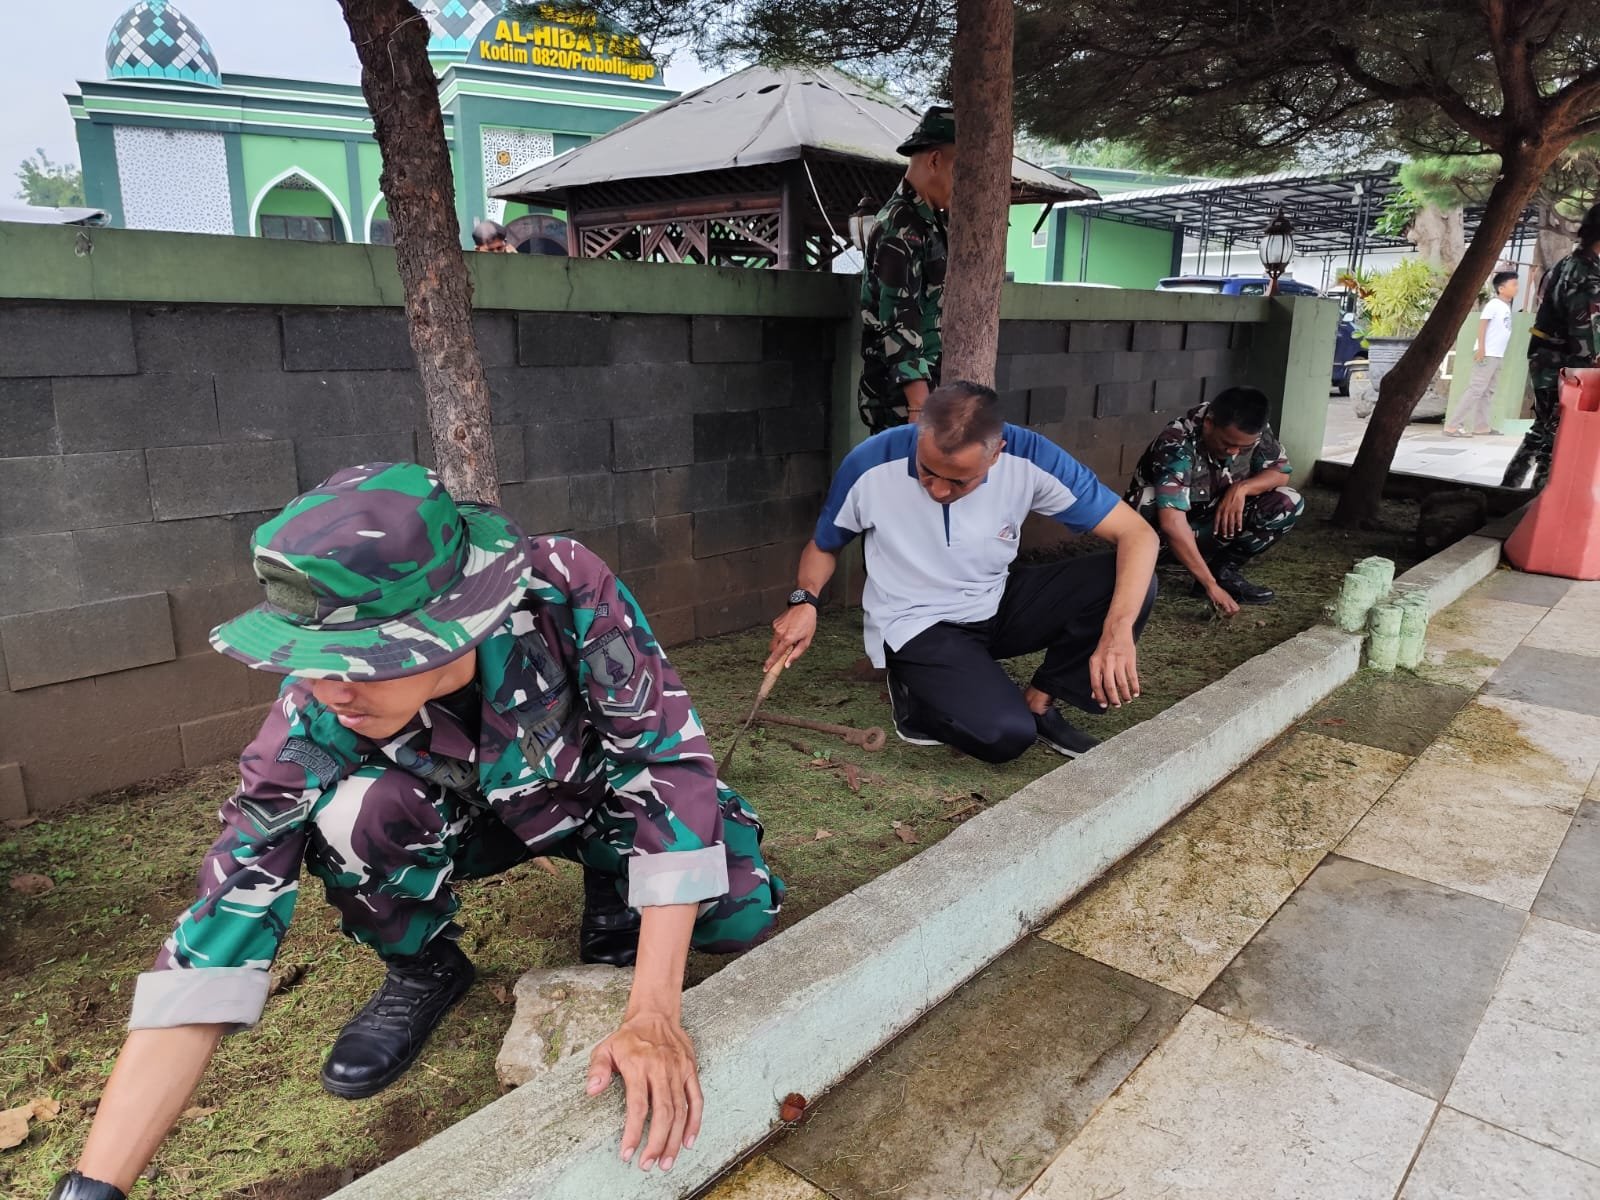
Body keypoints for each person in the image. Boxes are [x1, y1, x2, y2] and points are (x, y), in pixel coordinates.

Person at [45, 463, 782, 1200]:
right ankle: (423, 966)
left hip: (588, 800)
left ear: (456, 617)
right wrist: (93, 1189)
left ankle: (615, 886)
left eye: (365, 656)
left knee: (740, 908)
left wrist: (653, 1011)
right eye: (310, 657)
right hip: (461, 827)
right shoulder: (316, 712)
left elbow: (663, 759)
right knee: (350, 813)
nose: (332, 686)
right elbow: (217, 929)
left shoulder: (560, 587)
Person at [767, 381, 1158, 763]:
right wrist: (805, 599)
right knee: (1006, 736)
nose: (937, 490)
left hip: (994, 601)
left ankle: (1040, 699)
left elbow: (1138, 535)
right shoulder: (871, 461)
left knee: (1128, 580)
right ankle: (916, 695)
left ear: (996, 453)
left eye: (958, 481)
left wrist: (1117, 629)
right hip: (915, 623)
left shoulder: (1032, 457)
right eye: (927, 471)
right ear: (920, 436)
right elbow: (824, 544)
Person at [1125, 386, 1303, 613]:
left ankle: (1223, 571)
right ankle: (1138, 575)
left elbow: (1281, 473)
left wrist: (1241, 488)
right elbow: (1172, 522)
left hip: (1212, 524)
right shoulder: (1176, 441)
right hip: (1164, 538)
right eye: (1227, 443)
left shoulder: (1253, 431)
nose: (1234, 452)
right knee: (1146, 500)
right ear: (1208, 423)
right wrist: (1212, 587)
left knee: (1287, 500)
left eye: (1243, 447)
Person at [857, 106, 954, 434]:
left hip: (929, 392)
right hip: (904, 401)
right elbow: (898, 318)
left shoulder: (932, 220)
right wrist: (918, 404)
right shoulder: (901, 224)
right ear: (936, 160)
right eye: (962, 171)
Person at [1502, 205, 1600, 489]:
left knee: (1543, 427)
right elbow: (1586, 340)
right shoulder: (1587, 275)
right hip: (1565, 366)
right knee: (1558, 432)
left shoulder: (1569, 263)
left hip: (1546, 359)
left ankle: (1509, 487)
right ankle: (1540, 497)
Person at [1445, 270, 1518, 437]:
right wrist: (1482, 349)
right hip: (1488, 354)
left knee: (1488, 391)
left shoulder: (1505, 306)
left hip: (1497, 355)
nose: (1516, 288)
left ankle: (1482, 426)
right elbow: (1483, 324)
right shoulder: (1494, 304)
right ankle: (1453, 426)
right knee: (1476, 389)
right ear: (1501, 288)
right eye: (1513, 285)